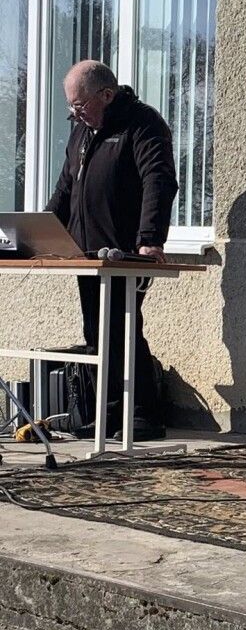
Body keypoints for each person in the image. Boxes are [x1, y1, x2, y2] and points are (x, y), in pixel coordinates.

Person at [48, 60, 177, 442]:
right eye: (70, 106)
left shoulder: (142, 123)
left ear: (106, 95)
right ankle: (107, 413)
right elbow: (65, 190)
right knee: (95, 331)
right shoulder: (83, 132)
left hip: (125, 253)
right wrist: (42, 233)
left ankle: (143, 414)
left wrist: (150, 238)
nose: (75, 114)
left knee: (122, 327)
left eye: (79, 105)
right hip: (85, 253)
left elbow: (158, 180)